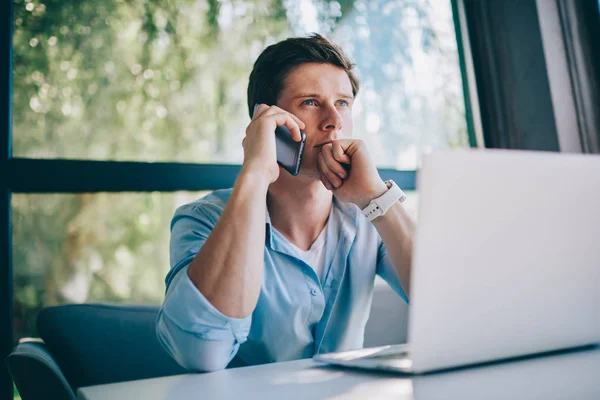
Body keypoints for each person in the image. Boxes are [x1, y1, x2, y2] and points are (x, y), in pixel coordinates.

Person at [156, 33, 415, 372]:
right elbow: (202, 353)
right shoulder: (201, 220)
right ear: (268, 122)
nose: (334, 121)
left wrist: (377, 197)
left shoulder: (367, 215)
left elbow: (449, 304)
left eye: (343, 103)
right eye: (310, 102)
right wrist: (255, 172)